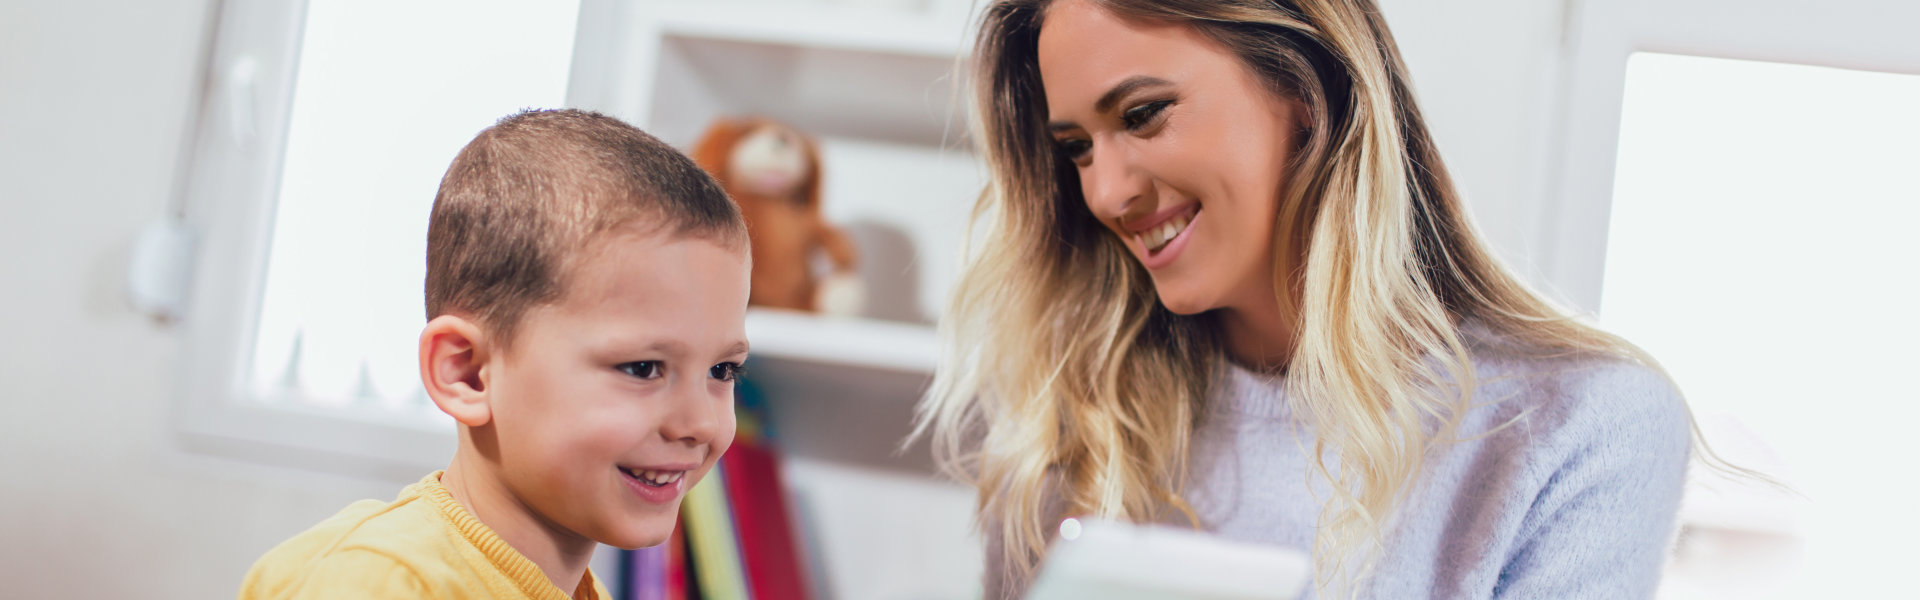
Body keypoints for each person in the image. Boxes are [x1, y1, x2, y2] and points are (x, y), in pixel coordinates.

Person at [912, 1, 1705, 597]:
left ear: (1303, 86)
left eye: (1143, 114)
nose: (1106, 191)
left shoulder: (1580, 426)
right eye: (1077, 149)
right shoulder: (1073, 423)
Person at [239, 109, 752, 599]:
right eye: (642, 368)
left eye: (722, 370)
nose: (699, 423)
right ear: (467, 373)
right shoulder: (376, 584)